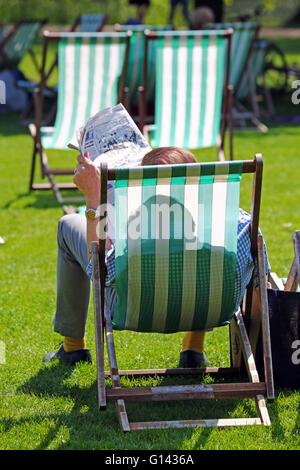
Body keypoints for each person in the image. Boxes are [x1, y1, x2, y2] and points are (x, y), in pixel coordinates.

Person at [43, 146, 270, 368]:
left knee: (67, 225)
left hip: (133, 309)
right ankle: (194, 348)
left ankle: (73, 347)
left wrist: (93, 198)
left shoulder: (133, 230)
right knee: (204, 259)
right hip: (211, 311)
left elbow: (98, 272)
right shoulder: (242, 228)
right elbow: (262, 284)